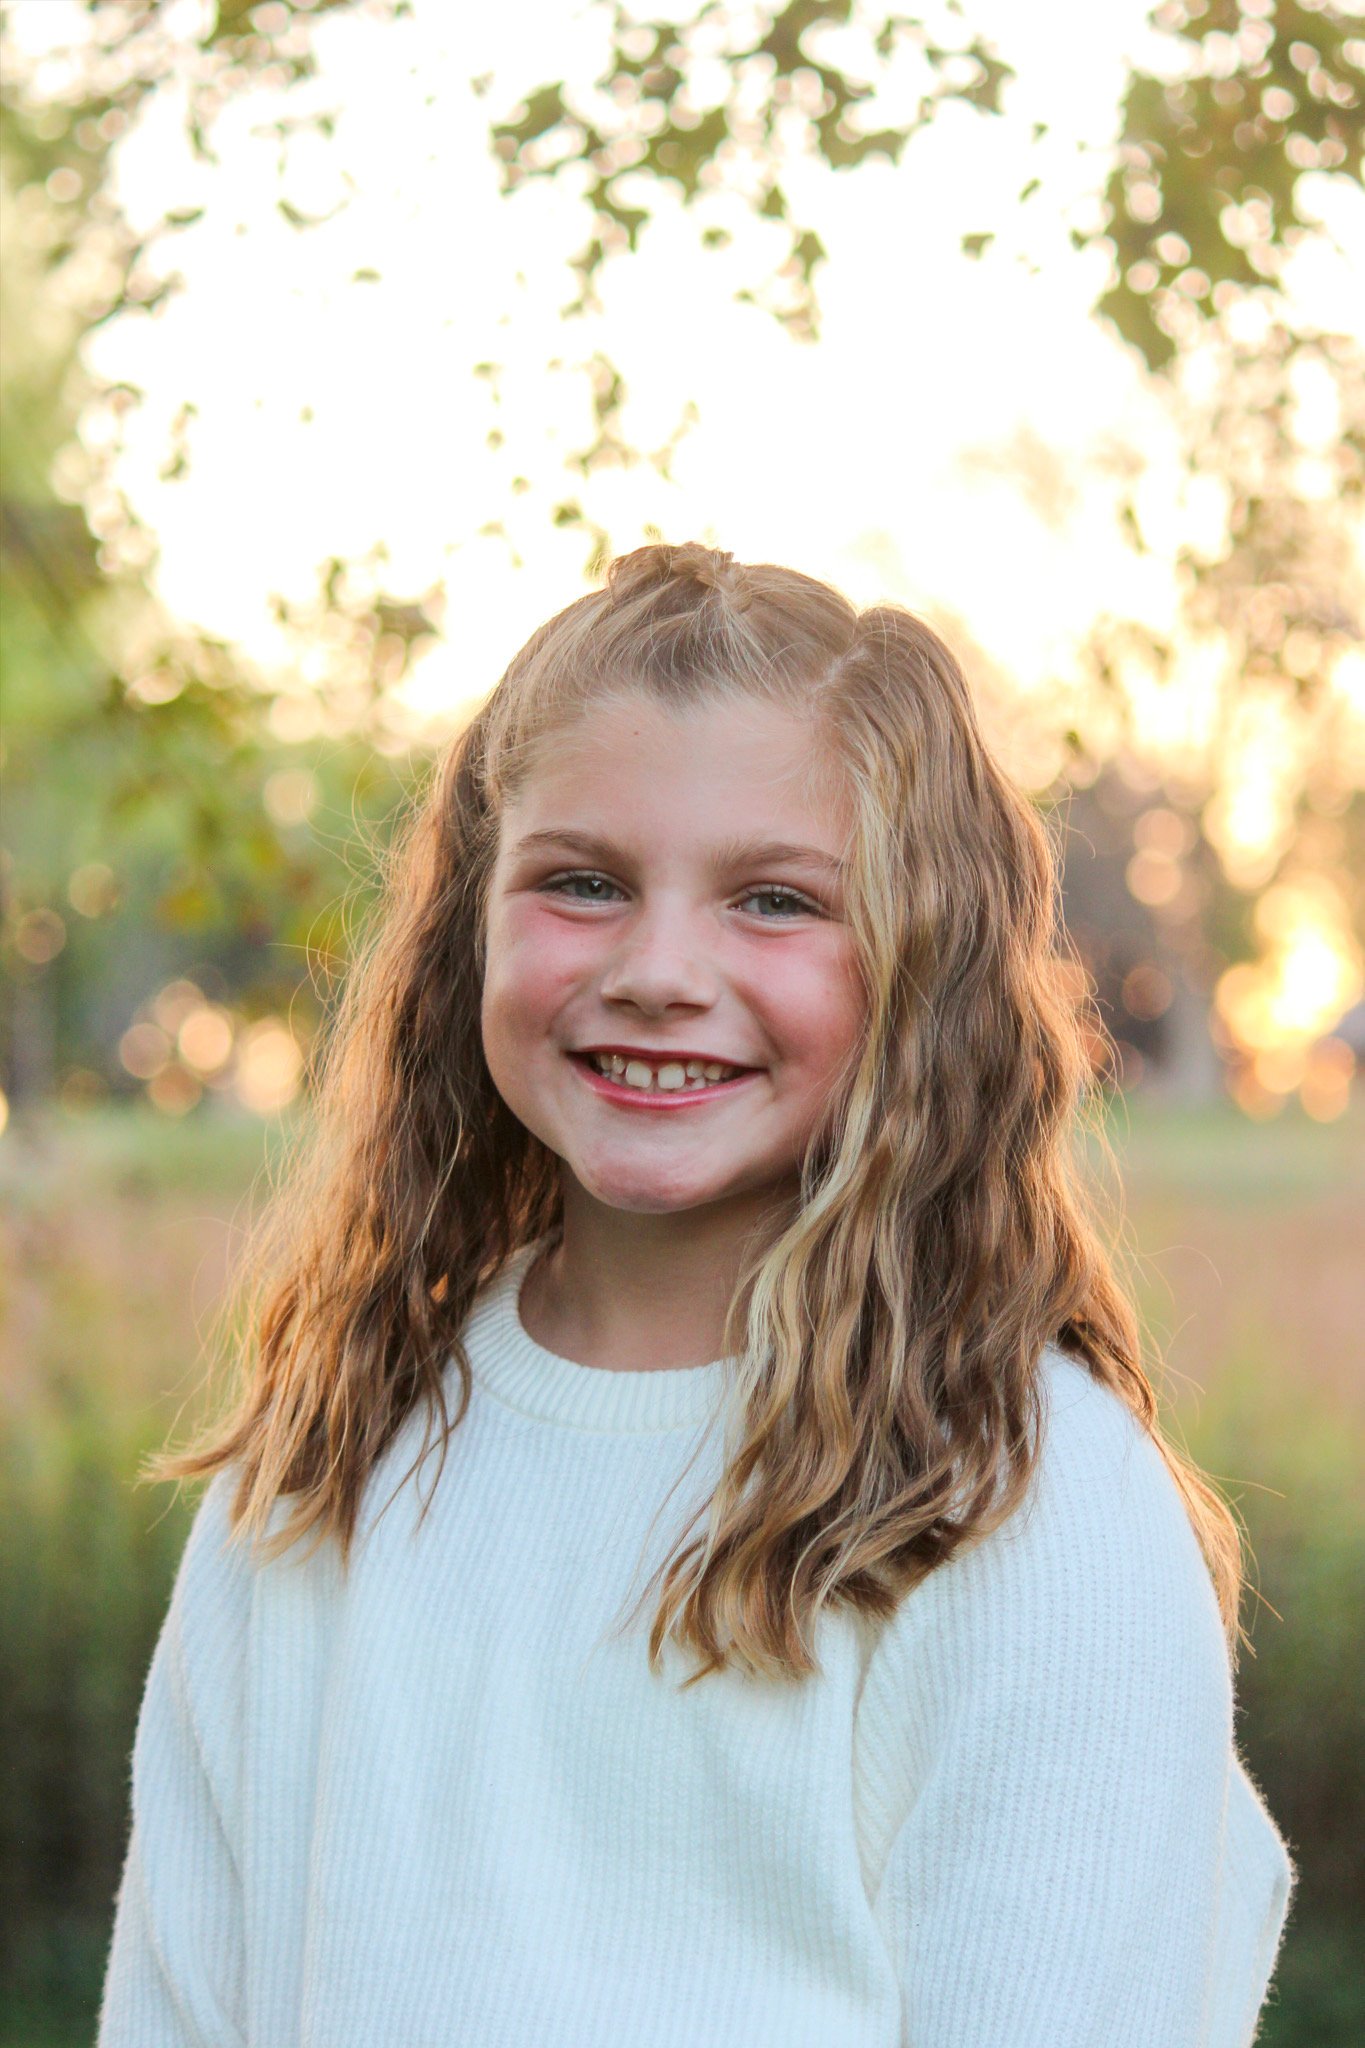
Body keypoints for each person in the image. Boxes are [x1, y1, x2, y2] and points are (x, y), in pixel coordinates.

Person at [98, 542, 1295, 2047]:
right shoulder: (320, 1472)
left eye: (775, 900)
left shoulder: (1020, 1507)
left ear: (918, 967)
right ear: (473, 921)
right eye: (582, 884)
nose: (660, 969)